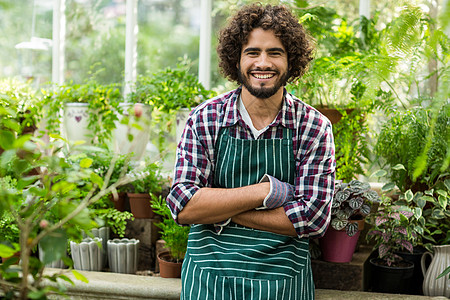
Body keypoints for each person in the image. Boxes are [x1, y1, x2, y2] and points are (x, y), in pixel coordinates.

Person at [166, 3, 335, 299]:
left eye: (275, 52)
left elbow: (312, 218)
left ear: (291, 61)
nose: (263, 63)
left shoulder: (313, 127)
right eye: (252, 52)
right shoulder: (206, 118)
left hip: (282, 280)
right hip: (209, 277)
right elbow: (183, 205)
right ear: (236, 60)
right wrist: (264, 192)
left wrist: (221, 210)